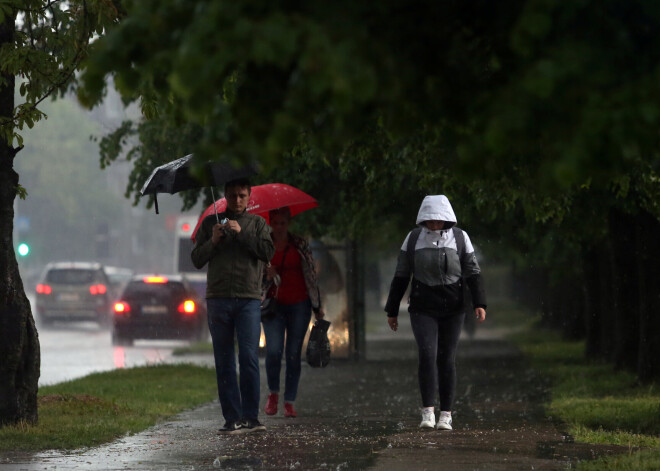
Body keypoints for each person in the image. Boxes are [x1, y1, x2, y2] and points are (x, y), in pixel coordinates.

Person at [384, 195, 487, 431]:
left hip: (453, 308)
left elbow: (472, 272)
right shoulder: (412, 240)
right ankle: (427, 411)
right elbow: (401, 276)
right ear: (423, 220)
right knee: (427, 354)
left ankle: (446, 414)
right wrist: (392, 309)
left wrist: (479, 303)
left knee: (447, 357)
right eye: (429, 221)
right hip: (422, 307)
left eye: (439, 221)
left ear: (447, 219)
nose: (434, 225)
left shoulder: (460, 238)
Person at [191, 178, 275, 434]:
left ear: (249, 197)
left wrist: (242, 234)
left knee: (249, 357)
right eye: (233, 195)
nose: (237, 200)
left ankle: (251, 416)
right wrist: (213, 241)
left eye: (242, 195)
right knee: (224, 360)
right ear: (225, 196)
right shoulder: (211, 224)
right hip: (218, 299)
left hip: (248, 298)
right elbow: (196, 259)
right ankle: (232, 417)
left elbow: (267, 253)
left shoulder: (258, 224)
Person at [262, 207, 325, 418]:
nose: (279, 228)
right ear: (271, 223)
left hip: (300, 304)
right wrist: (266, 273)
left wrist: (317, 306)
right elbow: (254, 275)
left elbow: (310, 276)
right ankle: (273, 393)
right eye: (276, 223)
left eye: (283, 223)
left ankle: (289, 401)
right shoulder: (264, 246)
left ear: (288, 224)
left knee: (293, 354)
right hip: (274, 305)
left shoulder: (299, 244)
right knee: (273, 350)